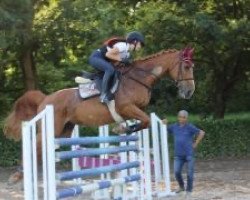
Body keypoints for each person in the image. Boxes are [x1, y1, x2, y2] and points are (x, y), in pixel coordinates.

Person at [88, 31, 145, 103]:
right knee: (110, 69)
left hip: (103, 60)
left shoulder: (127, 54)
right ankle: (103, 95)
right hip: (95, 57)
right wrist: (122, 60)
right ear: (135, 41)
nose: (140, 47)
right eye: (140, 44)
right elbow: (108, 54)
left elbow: (117, 64)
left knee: (116, 72)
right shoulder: (123, 45)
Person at [163, 110, 205, 197]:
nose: (182, 119)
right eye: (180, 117)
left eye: (184, 117)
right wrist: (165, 123)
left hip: (189, 154)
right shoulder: (174, 126)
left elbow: (201, 133)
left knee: (190, 174)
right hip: (178, 155)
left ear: (187, 118)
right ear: (178, 117)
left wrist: (195, 143)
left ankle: (189, 191)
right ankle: (181, 186)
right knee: (176, 172)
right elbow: (166, 129)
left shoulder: (190, 127)